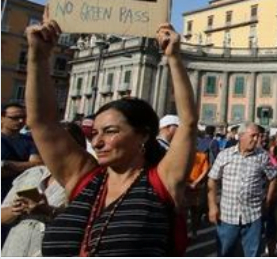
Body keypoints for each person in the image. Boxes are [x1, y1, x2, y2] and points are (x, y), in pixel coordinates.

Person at [29, 16, 198, 256]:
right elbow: (42, 123)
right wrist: (38, 58)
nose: (96, 142)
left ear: (142, 136)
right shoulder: (83, 177)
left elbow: (188, 122)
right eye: (94, 132)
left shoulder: (162, 181)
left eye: (110, 132)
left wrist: (174, 58)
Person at [1, 122, 85, 256]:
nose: (52, 147)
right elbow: (2, 217)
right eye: (47, 141)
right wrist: (15, 209)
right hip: (14, 249)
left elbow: (81, 222)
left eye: (59, 141)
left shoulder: (85, 179)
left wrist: (47, 210)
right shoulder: (33, 174)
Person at [207, 122, 277, 257]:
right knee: (225, 252)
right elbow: (212, 179)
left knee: (252, 253)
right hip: (228, 215)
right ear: (241, 136)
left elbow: (272, 177)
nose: (257, 139)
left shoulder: (262, 156)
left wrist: (267, 200)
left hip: (253, 215)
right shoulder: (225, 155)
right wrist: (212, 206)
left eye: (258, 136)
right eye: (253, 135)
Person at [2, 103, 42, 201]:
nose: (20, 121)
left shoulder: (30, 140)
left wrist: (6, 164)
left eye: (23, 117)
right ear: (2, 118)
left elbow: (38, 165)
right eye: (14, 118)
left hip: (22, 194)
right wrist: (27, 166)